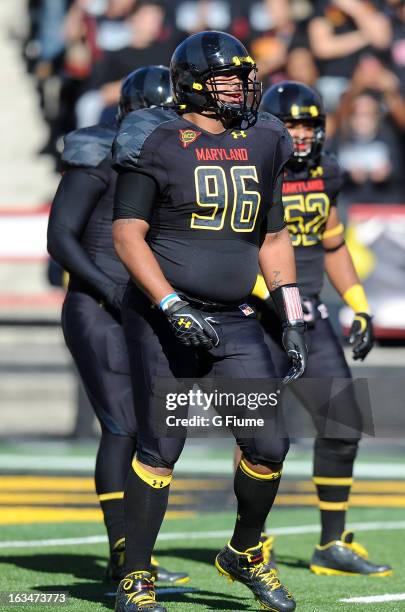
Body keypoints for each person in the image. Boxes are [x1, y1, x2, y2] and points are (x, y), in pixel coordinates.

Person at [112, 30, 308, 612]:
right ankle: (137, 574)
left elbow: (273, 237)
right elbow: (128, 234)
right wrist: (171, 304)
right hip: (162, 316)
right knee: (161, 446)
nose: (245, 87)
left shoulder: (267, 138)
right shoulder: (156, 139)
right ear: (193, 86)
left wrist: (291, 313)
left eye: (247, 76)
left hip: (236, 316)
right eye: (230, 78)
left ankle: (244, 550)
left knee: (270, 443)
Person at [47, 65, 188, 586]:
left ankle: (133, 553)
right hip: (97, 304)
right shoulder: (98, 156)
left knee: (148, 429)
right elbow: (60, 237)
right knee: (122, 425)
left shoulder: (171, 160)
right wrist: (107, 290)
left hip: (141, 307)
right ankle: (123, 552)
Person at [255, 81, 392, 577]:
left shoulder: (323, 170)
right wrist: (276, 300)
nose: (300, 133)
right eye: (290, 123)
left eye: (308, 123)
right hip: (257, 313)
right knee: (259, 435)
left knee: (344, 423)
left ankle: (331, 543)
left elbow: (332, 244)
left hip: (308, 311)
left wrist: (359, 304)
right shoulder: (251, 168)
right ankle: (252, 540)